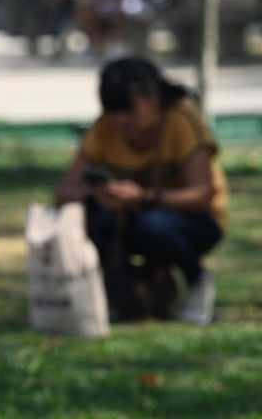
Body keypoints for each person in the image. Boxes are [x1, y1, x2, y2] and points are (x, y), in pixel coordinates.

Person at [56, 56, 227, 324]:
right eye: (112, 110)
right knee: (96, 217)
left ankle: (197, 280)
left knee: (152, 225)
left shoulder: (181, 120)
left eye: (127, 109)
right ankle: (121, 295)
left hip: (194, 222)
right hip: (129, 221)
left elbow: (203, 194)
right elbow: (65, 190)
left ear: (152, 99)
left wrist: (145, 196)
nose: (120, 120)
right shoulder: (104, 128)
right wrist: (98, 194)